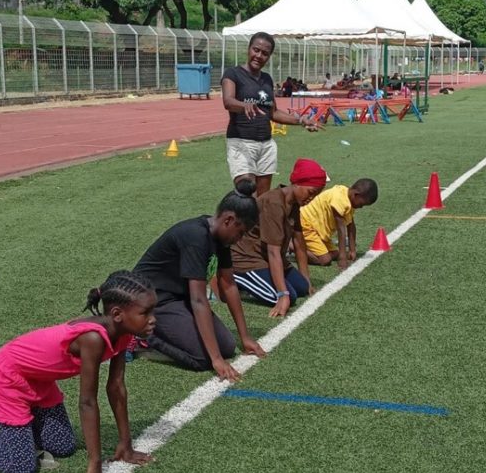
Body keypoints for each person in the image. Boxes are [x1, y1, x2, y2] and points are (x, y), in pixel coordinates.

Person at [0, 270, 156, 473]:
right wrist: (95, 467)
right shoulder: (92, 338)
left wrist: (126, 445)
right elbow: (87, 402)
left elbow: (116, 387)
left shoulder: (125, 332)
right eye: (146, 313)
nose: (153, 319)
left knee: (63, 446)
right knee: (21, 468)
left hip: (38, 380)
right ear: (117, 314)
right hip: (6, 377)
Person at [133, 181, 265, 382]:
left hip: (177, 298)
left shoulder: (222, 239)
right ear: (229, 220)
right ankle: (140, 338)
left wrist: (244, 337)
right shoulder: (196, 236)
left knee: (228, 346)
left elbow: (228, 285)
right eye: (241, 232)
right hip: (152, 302)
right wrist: (216, 359)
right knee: (203, 359)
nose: (241, 239)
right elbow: (198, 300)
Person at [221, 31, 321, 197]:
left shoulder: (267, 79)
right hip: (242, 142)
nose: (259, 56)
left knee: (262, 199)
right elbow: (228, 101)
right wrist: (244, 105)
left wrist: (302, 120)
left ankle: (260, 224)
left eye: (265, 53)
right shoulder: (233, 74)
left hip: (266, 145)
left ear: (269, 57)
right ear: (249, 49)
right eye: (256, 50)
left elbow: (273, 113)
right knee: (246, 193)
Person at [232, 158, 328, 318]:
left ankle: (270, 283)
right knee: (289, 296)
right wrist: (282, 294)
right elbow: (273, 252)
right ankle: (235, 278)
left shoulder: (295, 202)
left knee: (302, 288)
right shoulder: (274, 203)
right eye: (311, 192)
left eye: (316, 195)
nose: (311, 198)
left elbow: (299, 241)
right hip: (247, 259)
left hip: (266, 258)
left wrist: (306, 277)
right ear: (297, 183)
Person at [300, 179, 379, 270]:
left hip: (319, 232)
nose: (361, 207)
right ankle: (295, 247)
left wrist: (352, 250)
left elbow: (351, 226)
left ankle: (306, 246)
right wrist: (343, 257)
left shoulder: (349, 199)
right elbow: (341, 229)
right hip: (307, 225)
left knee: (335, 253)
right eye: (362, 204)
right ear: (356, 195)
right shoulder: (339, 199)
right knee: (325, 260)